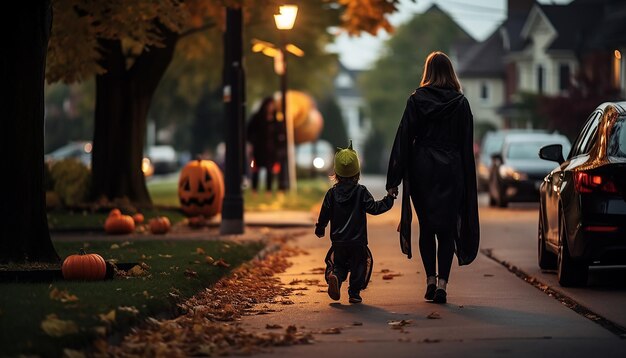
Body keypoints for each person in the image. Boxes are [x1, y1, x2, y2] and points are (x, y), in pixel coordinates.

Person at [386, 51, 480, 304]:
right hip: (451, 170)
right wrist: (468, 181)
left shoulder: (417, 100)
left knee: (427, 227)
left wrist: (393, 179)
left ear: (427, 71)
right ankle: (442, 285)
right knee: (447, 229)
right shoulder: (461, 104)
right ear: (451, 72)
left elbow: (404, 138)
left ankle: (429, 279)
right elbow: (465, 146)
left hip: (422, 170)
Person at [315, 141, 396, 303]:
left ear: (336, 172)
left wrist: (321, 227)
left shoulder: (331, 194)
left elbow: (325, 213)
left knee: (339, 265)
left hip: (338, 241)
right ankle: (354, 293)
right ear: (357, 172)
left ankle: (336, 277)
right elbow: (374, 208)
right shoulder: (361, 192)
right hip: (358, 241)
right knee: (359, 266)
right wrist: (389, 199)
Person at [246, 97, 283, 195]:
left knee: (270, 170)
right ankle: (254, 190)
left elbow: (279, 133)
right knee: (256, 169)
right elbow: (249, 131)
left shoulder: (276, 119)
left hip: (271, 149)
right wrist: (252, 143)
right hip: (259, 148)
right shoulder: (257, 118)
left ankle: (269, 190)